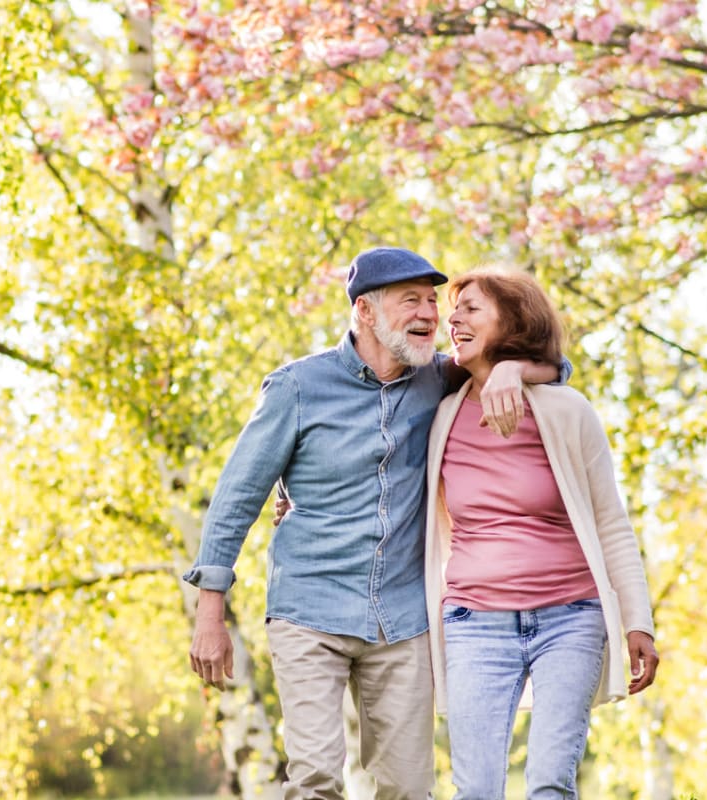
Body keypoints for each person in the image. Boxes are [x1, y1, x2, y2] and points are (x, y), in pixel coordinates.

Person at [185, 247, 568, 799]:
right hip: (309, 609)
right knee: (316, 777)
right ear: (365, 311)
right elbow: (237, 497)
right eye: (410, 300)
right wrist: (210, 611)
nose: (430, 314)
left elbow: (557, 369)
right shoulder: (296, 388)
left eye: (432, 301)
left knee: (411, 788)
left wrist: (509, 367)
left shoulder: (439, 377)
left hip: (402, 618)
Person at [422, 268, 659, 800]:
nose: (451, 318)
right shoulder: (438, 414)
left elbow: (611, 523)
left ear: (513, 320)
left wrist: (637, 620)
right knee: (477, 790)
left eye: (470, 308)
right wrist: (294, 495)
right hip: (473, 621)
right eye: (453, 310)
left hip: (571, 618)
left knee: (551, 782)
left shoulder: (568, 411)